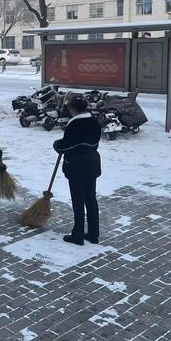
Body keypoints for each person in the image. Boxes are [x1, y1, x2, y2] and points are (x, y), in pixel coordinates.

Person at [53, 94, 101, 246]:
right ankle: (93, 234)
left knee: (78, 201)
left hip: (76, 166)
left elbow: (68, 145)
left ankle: (78, 235)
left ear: (73, 109)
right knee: (91, 199)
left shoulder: (74, 125)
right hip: (92, 164)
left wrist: (57, 145)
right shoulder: (94, 122)